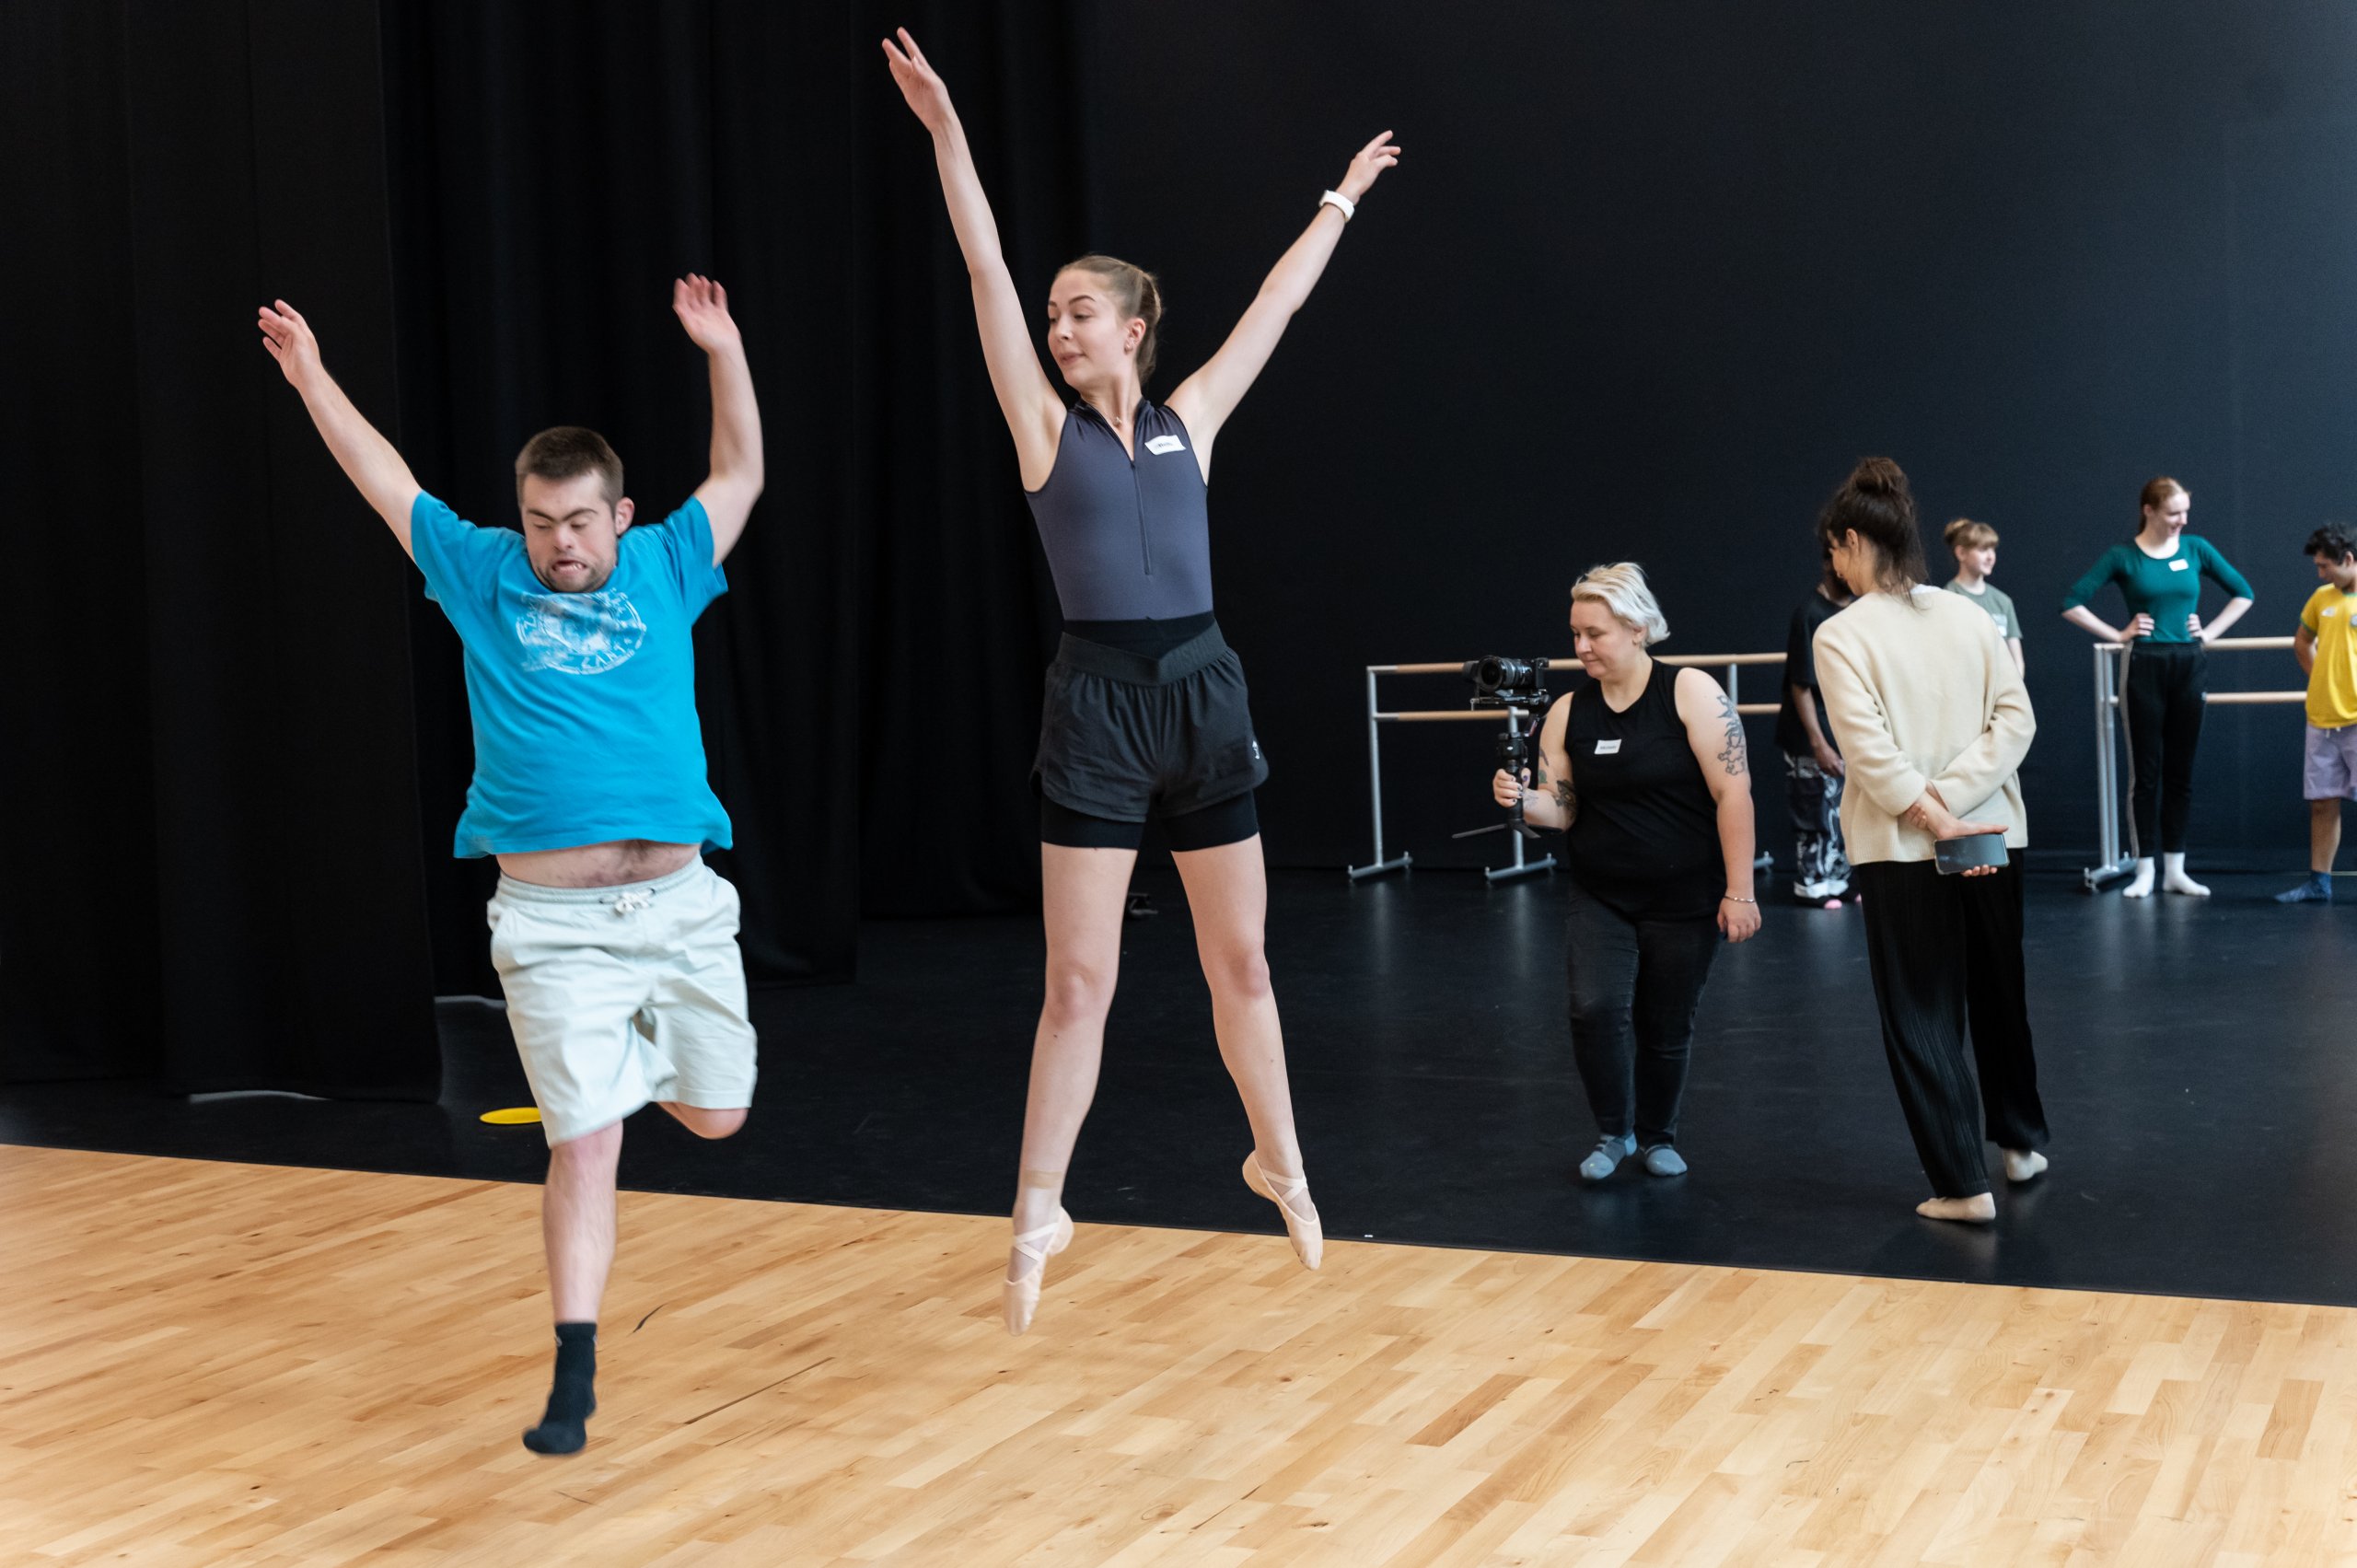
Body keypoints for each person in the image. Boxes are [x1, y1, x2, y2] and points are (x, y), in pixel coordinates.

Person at [883, 28, 1399, 1334]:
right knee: (1080, 980)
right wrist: (948, 132)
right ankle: (1041, 1201)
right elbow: (983, 267)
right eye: (1052, 317)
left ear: (1134, 325)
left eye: (1078, 313)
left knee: (1246, 962)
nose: (1056, 328)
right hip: (1101, 701)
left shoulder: (1195, 417)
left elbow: (1280, 302)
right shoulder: (1040, 426)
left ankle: (1278, 1156)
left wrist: (1339, 196)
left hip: (1205, 690)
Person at [256, 277, 765, 1454]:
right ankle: (573, 1371)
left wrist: (723, 350)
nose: (560, 545)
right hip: (554, 920)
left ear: (619, 514)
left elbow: (735, 473)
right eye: (542, 524)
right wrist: (311, 377)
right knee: (583, 1138)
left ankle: (613, 1061)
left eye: (580, 523)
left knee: (719, 1115)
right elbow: (386, 479)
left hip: (684, 905)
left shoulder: (669, 564)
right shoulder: (483, 573)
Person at [1812, 458, 2046, 1224]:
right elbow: (2016, 721)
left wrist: (1929, 806)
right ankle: (2020, 1144)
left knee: (1922, 1009)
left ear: (1852, 541)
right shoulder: (1969, 615)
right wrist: (1957, 799)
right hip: (1993, 833)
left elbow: (1868, 752)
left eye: (1833, 550)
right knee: (1999, 992)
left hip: (1902, 847)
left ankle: (1961, 1184)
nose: (1833, 566)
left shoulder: (1841, 633)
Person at [1490, 563, 1759, 1181]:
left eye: (1595, 634)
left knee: (1664, 1021)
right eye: (1575, 634)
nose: (1581, 647)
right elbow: (1560, 810)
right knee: (1593, 1007)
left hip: (1685, 894)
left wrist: (1739, 890)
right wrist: (1517, 797)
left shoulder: (1690, 692)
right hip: (1602, 892)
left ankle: (1658, 1135)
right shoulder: (1565, 713)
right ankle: (1613, 1132)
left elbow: (1735, 793)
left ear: (1637, 628)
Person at [2062, 477, 2255, 898]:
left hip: (2189, 663)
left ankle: (2175, 869)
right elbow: (2072, 602)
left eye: (2185, 512)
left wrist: (2211, 632)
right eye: (2173, 513)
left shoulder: (2196, 549)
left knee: (2180, 773)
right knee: (2146, 774)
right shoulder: (2124, 556)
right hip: (2144, 664)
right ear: (2148, 510)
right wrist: (2117, 633)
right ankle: (2145, 868)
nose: (2181, 521)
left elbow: (2244, 592)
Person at [2273, 527, 2357, 904]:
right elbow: (2302, 641)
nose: (2320, 574)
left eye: (2325, 566)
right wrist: (2320, 680)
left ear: (2349, 560)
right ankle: (2319, 884)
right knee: (2322, 804)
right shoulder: (2322, 597)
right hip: (2321, 720)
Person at [1776, 554, 1854, 906]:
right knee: (1812, 810)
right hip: (1809, 734)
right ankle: (1812, 885)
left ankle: (1838, 880)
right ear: (1829, 561)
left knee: (1841, 811)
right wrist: (1818, 743)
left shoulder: (1856, 610)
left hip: (1843, 730)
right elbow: (1800, 684)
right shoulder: (1810, 612)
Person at [1943, 518, 2024, 674]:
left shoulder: (2002, 601)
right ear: (1961, 553)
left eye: (1992, 550)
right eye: (1982, 550)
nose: (1990, 557)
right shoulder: (1948, 598)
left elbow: (2016, 659)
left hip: (1999, 692)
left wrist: (2013, 691)